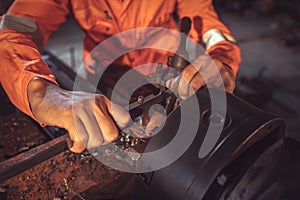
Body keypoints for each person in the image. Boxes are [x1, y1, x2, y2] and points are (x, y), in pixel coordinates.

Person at [0, 0, 241, 153]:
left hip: (163, 80)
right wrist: (42, 93)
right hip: (102, 83)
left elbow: (207, 24)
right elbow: (12, 30)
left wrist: (223, 58)